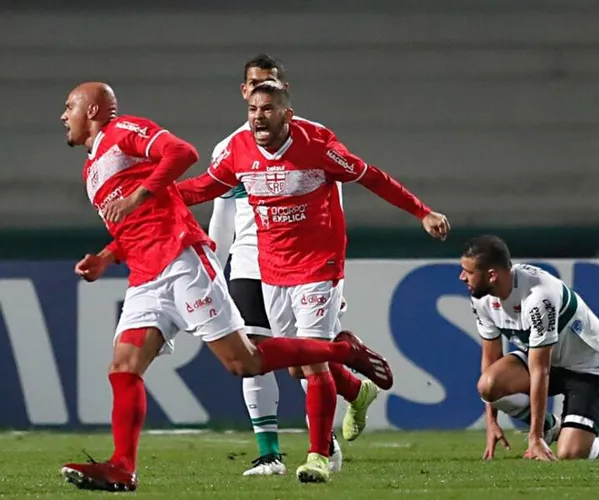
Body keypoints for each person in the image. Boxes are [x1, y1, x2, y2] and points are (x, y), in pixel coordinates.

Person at [58, 81, 394, 491]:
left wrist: (139, 194)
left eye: (69, 107)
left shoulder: (124, 131)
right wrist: (105, 258)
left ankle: (344, 351)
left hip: (182, 260)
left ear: (92, 110)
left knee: (245, 362)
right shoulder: (92, 168)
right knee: (123, 369)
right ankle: (123, 467)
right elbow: (136, 223)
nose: (63, 116)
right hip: (145, 277)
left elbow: (182, 153)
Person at [177, 80, 449, 482]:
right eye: (253, 110)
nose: (258, 117)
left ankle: (318, 457)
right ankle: (357, 387)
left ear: (287, 113)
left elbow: (372, 177)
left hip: (319, 265)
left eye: (267, 109)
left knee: (313, 361)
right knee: (296, 367)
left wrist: (422, 212)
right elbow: (203, 188)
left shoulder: (317, 145)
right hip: (271, 268)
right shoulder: (238, 150)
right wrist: (151, 194)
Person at [208, 53, 347, 476]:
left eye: (268, 84)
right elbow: (222, 216)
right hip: (249, 260)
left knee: (301, 364)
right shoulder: (230, 147)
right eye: (253, 85)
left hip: (303, 261)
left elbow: (334, 202)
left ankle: (324, 444)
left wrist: (336, 263)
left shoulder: (312, 139)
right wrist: (214, 268)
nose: (259, 92)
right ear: (243, 91)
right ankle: (270, 454)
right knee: (252, 353)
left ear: (283, 91)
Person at [460, 235, 599, 461]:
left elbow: (539, 371)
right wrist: (491, 423)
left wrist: (534, 438)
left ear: (492, 275)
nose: (461, 277)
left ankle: (592, 437)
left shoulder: (538, 297)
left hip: (588, 368)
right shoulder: (482, 298)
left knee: (569, 454)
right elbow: (491, 360)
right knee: (488, 384)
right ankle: (551, 427)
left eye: (468, 271)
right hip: (549, 361)